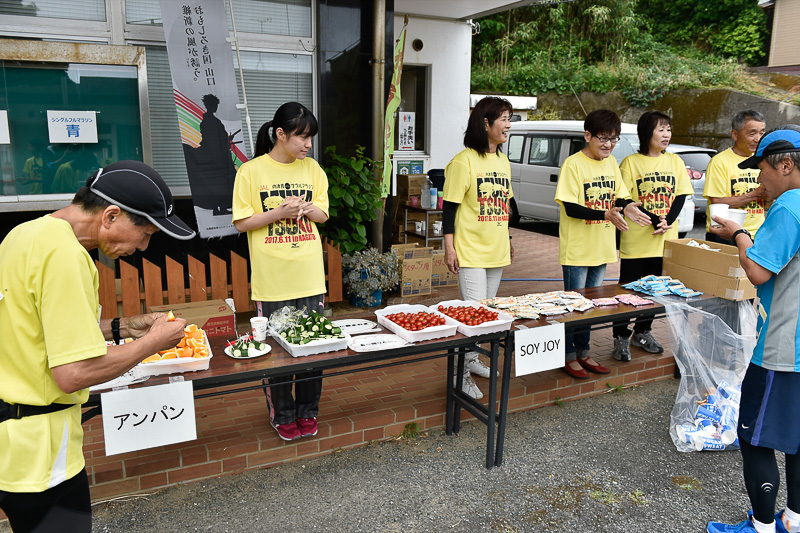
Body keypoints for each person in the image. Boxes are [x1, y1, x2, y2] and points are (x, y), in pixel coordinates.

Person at [0, 160, 195, 533]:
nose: (142, 247)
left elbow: (37, 329)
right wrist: (153, 343)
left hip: (9, 443)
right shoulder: (67, 257)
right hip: (41, 450)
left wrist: (122, 327)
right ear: (110, 215)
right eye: (145, 233)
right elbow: (73, 373)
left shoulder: (23, 235)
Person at [706, 126, 800, 533]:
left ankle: (762, 526)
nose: (759, 179)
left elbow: (759, 271)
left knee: (754, 437)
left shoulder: (790, 205)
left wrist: (739, 234)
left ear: (785, 164)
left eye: (761, 170)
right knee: (797, 441)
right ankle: (793, 520)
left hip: (784, 345)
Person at [232, 102, 329, 442]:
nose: (308, 145)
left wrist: (307, 208)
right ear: (281, 134)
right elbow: (242, 222)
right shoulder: (251, 172)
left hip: (309, 274)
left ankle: (308, 411)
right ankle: (283, 414)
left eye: (311, 138)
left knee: (314, 347)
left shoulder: (313, 169)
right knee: (275, 351)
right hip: (272, 278)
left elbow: (323, 215)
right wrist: (277, 212)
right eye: (302, 137)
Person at [554, 109, 651, 379]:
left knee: (591, 306)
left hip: (601, 247)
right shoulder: (573, 164)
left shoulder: (610, 163)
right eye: (603, 138)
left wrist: (628, 206)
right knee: (575, 306)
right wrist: (605, 214)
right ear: (587, 135)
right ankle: (569, 355)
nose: (608, 144)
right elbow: (571, 208)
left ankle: (584, 353)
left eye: (614, 139)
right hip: (577, 250)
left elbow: (620, 196)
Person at [442, 96, 515, 400]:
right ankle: (459, 373)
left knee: (484, 314)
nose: (509, 125)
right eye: (504, 119)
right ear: (486, 123)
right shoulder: (464, 161)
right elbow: (449, 208)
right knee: (472, 316)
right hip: (470, 250)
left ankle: (471, 362)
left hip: (495, 250)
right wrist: (449, 247)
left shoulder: (502, 160)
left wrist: (507, 239)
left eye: (510, 119)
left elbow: (506, 203)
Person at [613, 111, 693, 358]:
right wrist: (653, 219)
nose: (666, 134)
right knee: (629, 291)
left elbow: (680, 194)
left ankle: (642, 331)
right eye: (660, 129)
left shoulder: (675, 162)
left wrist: (667, 220)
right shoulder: (630, 163)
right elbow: (624, 197)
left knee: (655, 290)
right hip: (637, 239)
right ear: (646, 133)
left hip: (665, 237)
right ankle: (620, 336)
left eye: (668, 129)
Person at [704, 110, 767, 245]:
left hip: (758, 234)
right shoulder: (719, 162)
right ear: (735, 134)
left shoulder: (762, 161)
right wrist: (756, 194)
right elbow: (718, 203)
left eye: (762, 133)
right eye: (752, 133)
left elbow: (766, 203)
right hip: (726, 234)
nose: (758, 139)